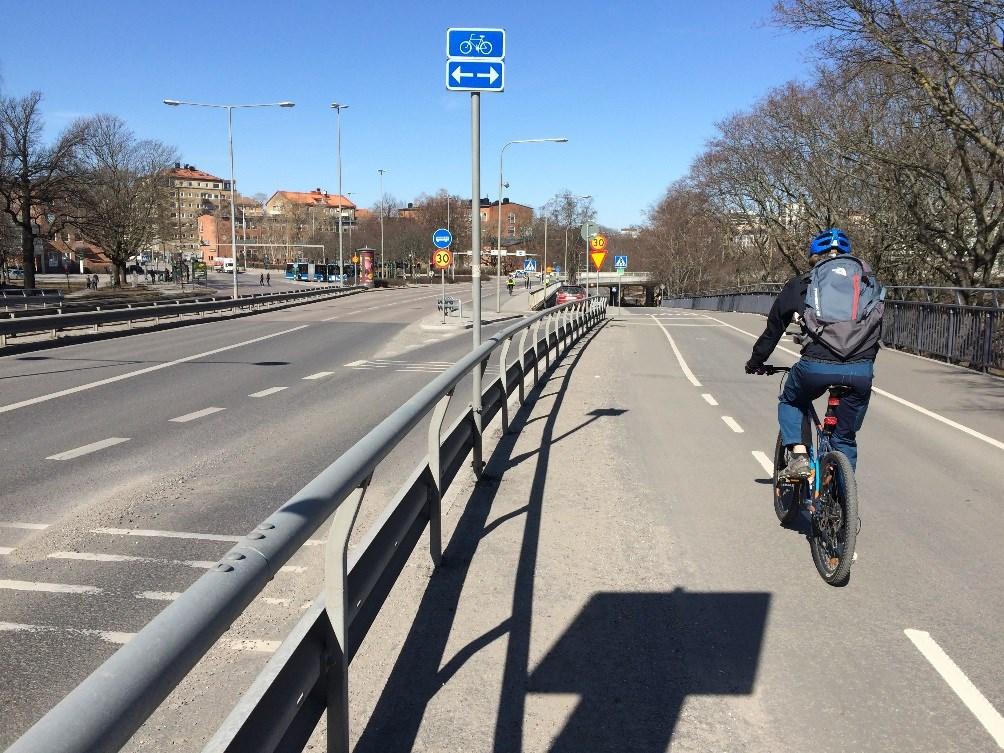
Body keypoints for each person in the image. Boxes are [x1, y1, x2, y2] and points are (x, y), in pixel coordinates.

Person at [745, 229, 883, 476]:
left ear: (813, 257)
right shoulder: (866, 283)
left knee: (792, 400)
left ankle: (799, 456)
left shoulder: (801, 285)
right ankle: (842, 500)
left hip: (815, 367)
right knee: (845, 438)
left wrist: (756, 361)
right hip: (860, 370)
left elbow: (774, 328)